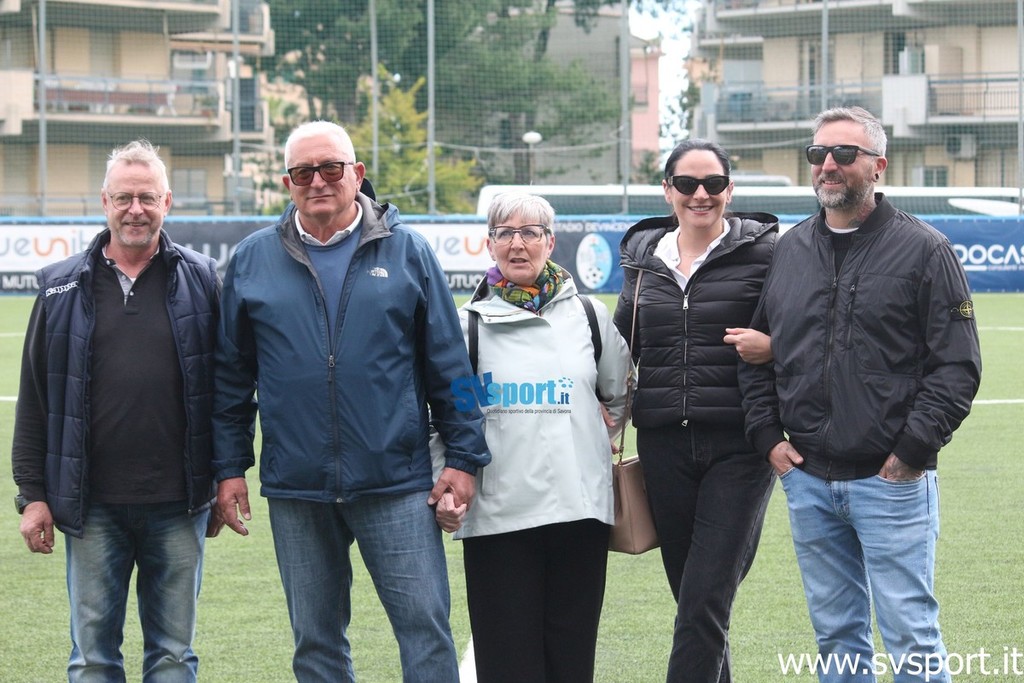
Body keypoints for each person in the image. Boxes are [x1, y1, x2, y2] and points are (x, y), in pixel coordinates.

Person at [212, 119, 490, 682]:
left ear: (357, 174)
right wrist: (228, 467)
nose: (318, 181)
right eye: (302, 172)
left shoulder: (409, 252)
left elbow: (453, 368)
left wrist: (464, 458)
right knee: (316, 644)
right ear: (287, 183)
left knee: (425, 634)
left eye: (331, 168)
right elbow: (230, 379)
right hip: (298, 487)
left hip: (397, 483)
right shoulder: (251, 259)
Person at [739, 106, 982, 683]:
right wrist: (769, 438)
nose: (828, 164)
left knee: (911, 636)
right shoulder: (790, 249)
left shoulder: (925, 250)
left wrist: (909, 454)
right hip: (808, 481)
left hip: (890, 482)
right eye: (818, 153)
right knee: (837, 638)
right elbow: (757, 350)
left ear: (878, 166)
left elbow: (957, 367)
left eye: (844, 153)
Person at [11, 139, 221, 682]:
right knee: (92, 658)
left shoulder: (204, 280)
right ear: (104, 201)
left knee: (173, 655)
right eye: (124, 197)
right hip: (91, 505)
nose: (135, 209)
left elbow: (226, 394)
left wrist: (224, 479)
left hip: (178, 504)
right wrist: (32, 495)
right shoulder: (59, 286)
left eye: (147, 197)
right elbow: (35, 399)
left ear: (167, 202)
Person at [436, 191, 631, 682]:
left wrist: (596, 429)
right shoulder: (467, 327)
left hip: (580, 513)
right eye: (505, 233)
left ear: (550, 241)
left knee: (572, 661)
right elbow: (448, 418)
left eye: (530, 232)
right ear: (490, 244)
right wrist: (447, 486)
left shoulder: (589, 315)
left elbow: (621, 391)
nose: (517, 244)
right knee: (508, 664)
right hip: (500, 519)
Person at [614, 139, 778, 683]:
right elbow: (620, 347)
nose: (700, 194)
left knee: (705, 596)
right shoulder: (643, 262)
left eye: (713, 183)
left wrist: (774, 346)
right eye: (687, 184)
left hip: (740, 445)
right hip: (663, 446)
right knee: (693, 599)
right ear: (668, 191)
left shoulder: (769, 254)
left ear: (731, 190)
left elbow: (810, 327)